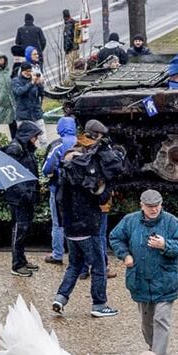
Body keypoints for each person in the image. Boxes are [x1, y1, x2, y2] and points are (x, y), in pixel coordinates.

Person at [109, 191, 178, 355]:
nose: (154, 210)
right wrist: (125, 255)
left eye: (157, 206)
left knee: (161, 319)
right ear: (142, 205)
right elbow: (115, 237)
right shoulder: (130, 221)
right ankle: (153, 349)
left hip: (165, 281)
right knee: (147, 323)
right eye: (150, 207)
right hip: (140, 280)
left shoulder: (171, 222)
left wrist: (165, 245)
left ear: (161, 204)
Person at [53, 119, 121, 318]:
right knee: (98, 266)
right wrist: (106, 187)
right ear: (97, 136)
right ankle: (99, 305)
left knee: (74, 264)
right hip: (88, 224)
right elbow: (99, 195)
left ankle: (60, 298)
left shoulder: (69, 158)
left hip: (70, 226)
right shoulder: (90, 163)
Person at [2, 121, 42, 277]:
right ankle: (17, 264)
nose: (36, 140)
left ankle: (22, 260)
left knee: (24, 230)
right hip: (20, 199)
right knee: (19, 229)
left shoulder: (25, 148)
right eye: (35, 137)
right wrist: (25, 193)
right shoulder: (15, 150)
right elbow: (11, 176)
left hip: (27, 196)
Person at [41, 116, 79, 265]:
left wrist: (52, 175)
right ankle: (77, 256)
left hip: (59, 189)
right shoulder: (81, 142)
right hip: (79, 190)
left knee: (58, 223)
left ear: (59, 128)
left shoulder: (57, 145)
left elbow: (47, 168)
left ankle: (57, 254)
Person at [12, 61, 45, 135]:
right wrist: (31, 83)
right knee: (26, 139)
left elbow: (41, 94)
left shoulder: (33, 80)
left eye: (30, 71)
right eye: (27, 71)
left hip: (36, 113)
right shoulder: (16, 81)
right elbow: (19, 91)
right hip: (23, 115)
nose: (29, 73)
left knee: (43, 138)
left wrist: (39, 84)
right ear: (22, 71)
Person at [62, 9, 80, 81]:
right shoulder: (75, 23)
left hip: (71, 50)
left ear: (64, 16)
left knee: (71, 69)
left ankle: (73, 84)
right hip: (76, 48)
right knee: (77, 68)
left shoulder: (68, 25)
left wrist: (66, 50)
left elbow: (68, 39)